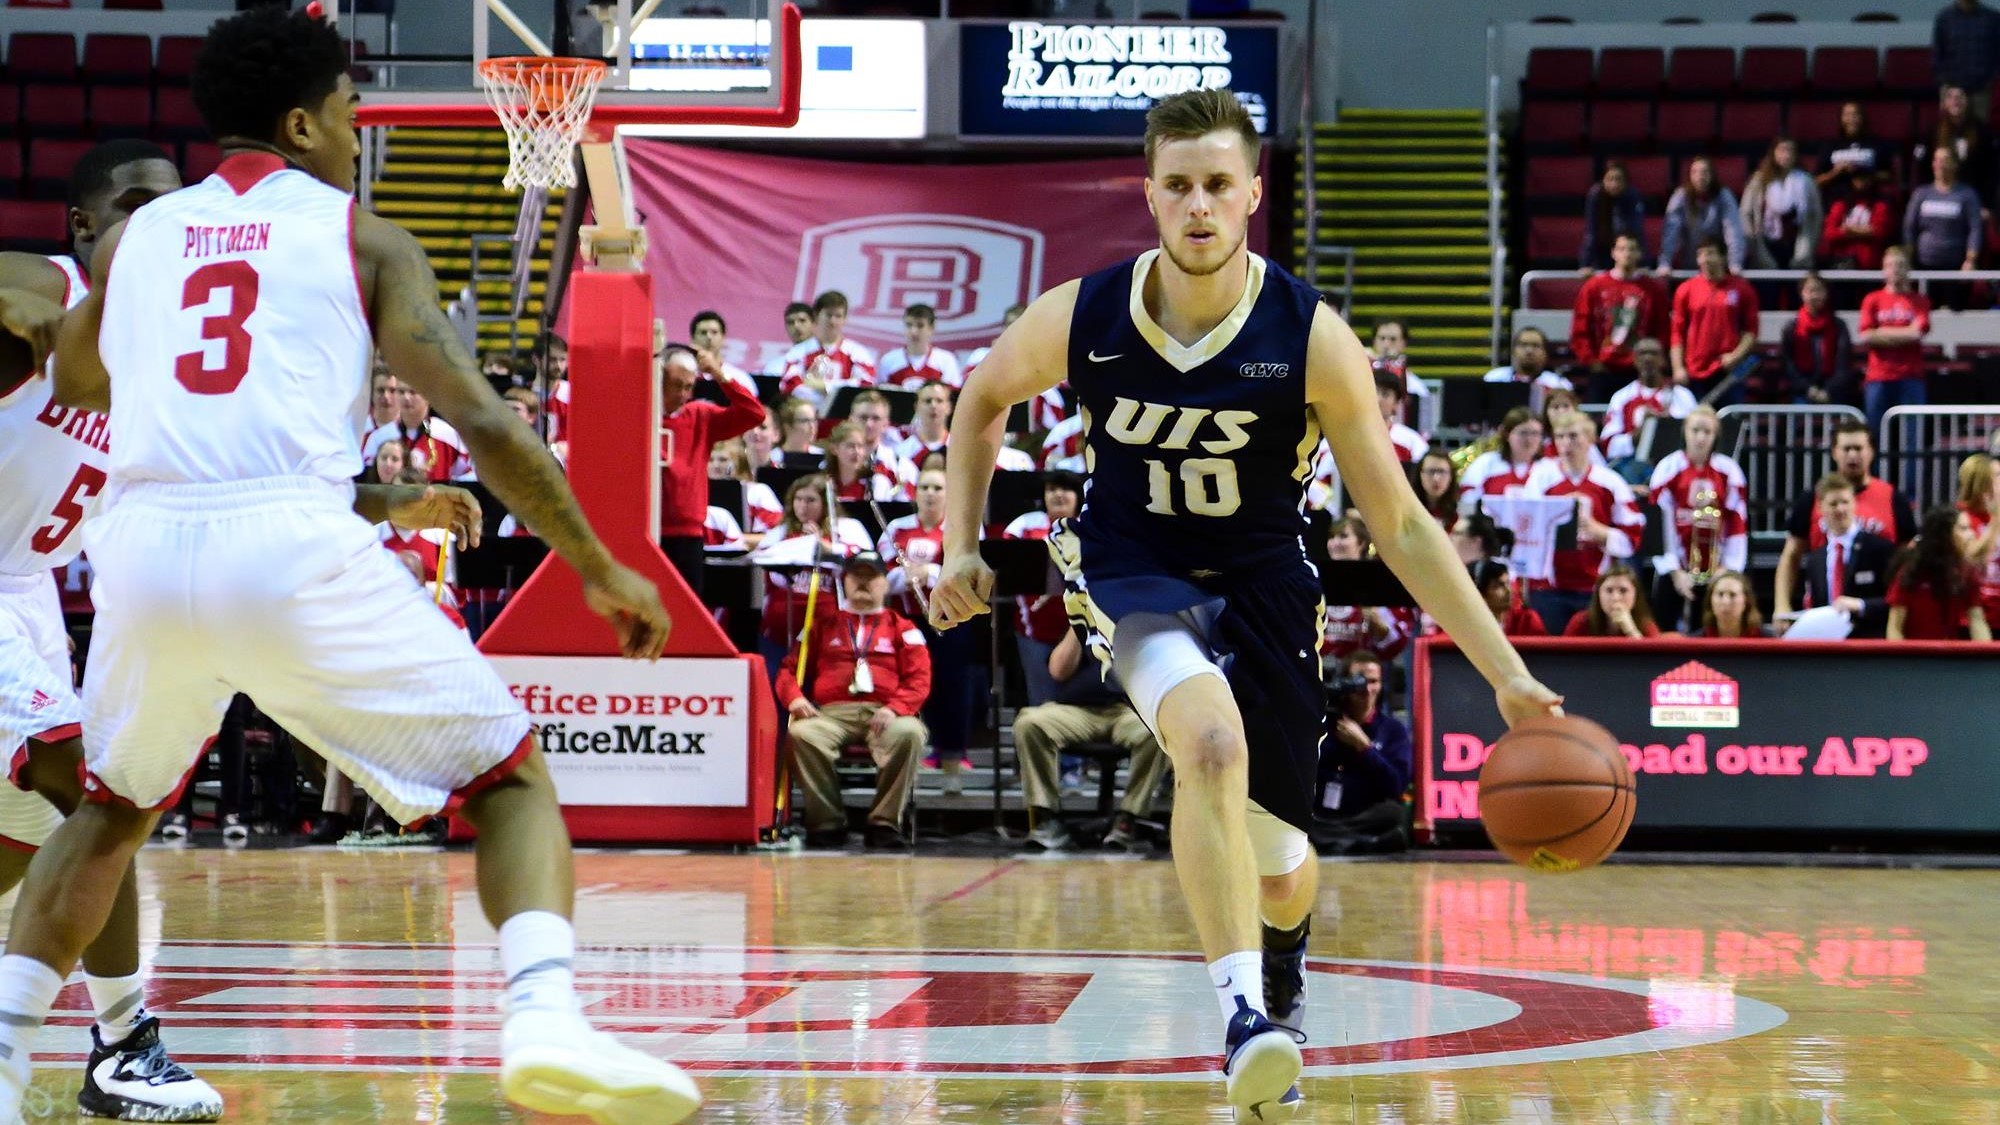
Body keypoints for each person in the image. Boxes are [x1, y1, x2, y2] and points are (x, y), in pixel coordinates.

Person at [10, 9, 694, 1124]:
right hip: (283, 540)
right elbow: (484, 421)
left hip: (137, 554)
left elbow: (83, 383)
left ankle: (2, 1056)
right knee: (509, 779)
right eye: (349, 113)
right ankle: (545, 1020)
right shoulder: (358, 236)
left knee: (109, 812)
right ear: (300, 121)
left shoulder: (137, 239)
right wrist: (597, 563)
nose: (356, 133)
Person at [926, 88, 1562, 1121]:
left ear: (1252, 194)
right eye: (1176, 186)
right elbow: (980, 401)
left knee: (1279, 863)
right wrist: (958, 545)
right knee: (1205, 747)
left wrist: (1506, 673)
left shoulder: (1309, 334)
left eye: (1218, 185)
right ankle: (1241, 1019)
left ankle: (1281, 959)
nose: (1197, 206)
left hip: (1267, 586)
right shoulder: (1084, 315)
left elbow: (1399, 525)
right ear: (1147, 195)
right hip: (1132, 570)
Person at [0, 138, 228, 1122]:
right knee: (91, 782)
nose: (158, 225)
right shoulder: (45, 282)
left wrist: (390, 502)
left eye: (174, 208)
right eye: (134, 204)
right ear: (84, 229)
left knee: (33, 841)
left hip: (31, 594)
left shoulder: (171, 355)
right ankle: (124, 1042)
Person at [776, 551, 931, 848]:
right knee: (802, 734)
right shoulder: (821, 623)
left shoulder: (904, 628)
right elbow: (788, 670)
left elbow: (920, 678)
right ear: (844, 582)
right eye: (856, 576)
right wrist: (794, 698)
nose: (863, 583)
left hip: (885, 713)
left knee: (910, 733)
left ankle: (884, 823)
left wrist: (896, 708)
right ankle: (827, 823)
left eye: (871, 577)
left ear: (885, 584)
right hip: (832, 714)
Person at [1015, 626, 1170, 852]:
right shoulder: (1081, 619)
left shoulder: (1137, 619)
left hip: (1129, 710)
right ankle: (1047, 818)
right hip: (1078, 710)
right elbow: (1058, 671)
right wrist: (1079, 625)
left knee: (1157, 728)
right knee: (1030, 723)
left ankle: (1129, 817)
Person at [878, 466, 974, 794]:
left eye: (937, 487)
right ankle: (912, 757)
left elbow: (969, 572)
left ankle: (951, 760)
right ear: (915, 492)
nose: (930, 493)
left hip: (950, 619)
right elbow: (881, 572)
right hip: (909, 620)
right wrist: (902, 577)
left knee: (951, 686)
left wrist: (930, 573)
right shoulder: (896, 528)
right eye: (924, 487)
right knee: (912, 684)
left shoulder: (962, 527)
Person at [1775, 421, 1919, 621]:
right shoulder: (1812, 498)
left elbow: (1909, 561)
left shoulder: (1893, 498)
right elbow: (1790, 557)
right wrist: (1781, 606)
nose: (1852, 455)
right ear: (1834, 452)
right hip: (1822, 612)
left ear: (1871, 451)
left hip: (1877, 612)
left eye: (1858, 448)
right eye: (1846, 448)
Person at [657, 342, 763, 598]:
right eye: (677, 385)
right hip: (648, 531)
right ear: (659, 380)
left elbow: (753, 413)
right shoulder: (640, 416)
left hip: (689, 536)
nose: (684, 394)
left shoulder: (701, 415)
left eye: (689, 386)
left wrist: (718, 373)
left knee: (686, 613)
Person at [1524, 413, 1644, 634]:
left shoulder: (1610, 482)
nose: (1566, 443)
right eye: (1560, 437)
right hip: (1549, 586)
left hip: (1595, 588)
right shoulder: (1541, 478)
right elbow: (1525, 529)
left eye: (1573, 436)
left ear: (1590, 439)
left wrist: (1600, 532)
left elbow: (1634, 533)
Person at [750, 473, 872, 681]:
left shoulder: (845, 529)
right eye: (798, 499)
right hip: (780, 629)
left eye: (810, 500)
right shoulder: (780, 532)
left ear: (825, 503)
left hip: (828, 629)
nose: (803, 506)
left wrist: (826, 547)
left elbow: (866, 559)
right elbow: (763, 558)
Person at [1648, 406, 1750, 633]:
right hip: (1676, 565)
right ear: (1685, 432)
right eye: (1695, 430)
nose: (1700, 437)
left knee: (1707, 630)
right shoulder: (1668, 468)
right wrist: (1674, 570)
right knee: (1665, 629)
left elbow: (1737, 522)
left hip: (1717, 565)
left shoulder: (1728, 471)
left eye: (1707, 432)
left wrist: (1729, 569)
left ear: (1715, 436)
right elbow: (1660, 523)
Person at [1312, 651, 1412, 855]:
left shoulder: (1393, 730)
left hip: (1363, 815)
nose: (1367, 689)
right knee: (1295, 816)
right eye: (1359, 681)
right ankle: (1358, 844)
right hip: (1320, 814)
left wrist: (1365, 748)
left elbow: (1396, 786)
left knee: (1394, 813)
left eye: (1374, 681)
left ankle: (1333, 841)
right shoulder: (1323, 723)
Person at [1001, 470, 1083, 708]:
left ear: (1077, 495)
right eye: (1051, 489)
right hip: (1033, 629)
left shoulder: (1090, 526)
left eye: (1065, 489)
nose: (1058, 494)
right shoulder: (1025, 524)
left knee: (1082, 699)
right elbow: (1005, 561)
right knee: (1042, 703)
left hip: (1081, 630)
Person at [1793, 472, 1897, 638]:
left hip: (1868, 645)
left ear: (1855, 503)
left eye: (1845, 502)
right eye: (1833, 504)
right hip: (1827, 648)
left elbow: (1895, 602)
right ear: (1820, 507)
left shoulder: (1880, 548)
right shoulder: (1816, 559)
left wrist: (1860, 605)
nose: (1841, 509)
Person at [1570, 232, 1670, 402]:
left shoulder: (1653, 289)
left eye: (1632, 249)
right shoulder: (1594, 287)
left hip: (1639, 368)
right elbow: (1581, 326)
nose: (1627, 254)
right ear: (1613, 253)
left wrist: (1654, 358)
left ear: (1640, 254)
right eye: (1622, 249)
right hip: (1603, 368)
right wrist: (1590, 360)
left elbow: (1662, 328)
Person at [1857, 246, 1933, 446]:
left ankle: (1911, 479)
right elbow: (1866, 335)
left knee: (1912, 439)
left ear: (1908, 269)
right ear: (1883, 269)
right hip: (1878, 377)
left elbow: (1917, 333)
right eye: (1890, 265)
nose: (1895, 270)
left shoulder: (1919, 300)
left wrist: (1881, 332)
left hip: (1911, 376)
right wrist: (1903, 333)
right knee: (1872, 438)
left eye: (1900, 265)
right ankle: (1872, 478)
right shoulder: (1872, 300)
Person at [1670, 238, 1760, 406]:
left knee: (1729, 426)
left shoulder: (1742, 289)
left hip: (1728, 372)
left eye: (1710, 253)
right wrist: (1677, 368)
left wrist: (1736, 356)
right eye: (1700, 254)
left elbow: (1751, 331)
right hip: (1694, 371)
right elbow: (1677, 333)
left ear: (1723, 257)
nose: (1704, 259)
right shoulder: (1685, 289)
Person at [1887, 505, 1993, 640]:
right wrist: (1899, 660)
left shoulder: (1966, 573)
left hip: (1947, 656)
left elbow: (1977, 620)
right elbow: (1895, 627)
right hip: (1912, 656)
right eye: (1963, 529)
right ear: (1944, 535)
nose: (1971, 534)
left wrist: (1987, 658)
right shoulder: (1910, 572)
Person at [1318, 518, 1415, 664]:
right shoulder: (1314, 576)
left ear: (1362, 543)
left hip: (1364, 669)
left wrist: (1375, 619)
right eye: (1332, 537)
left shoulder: (1379, 580)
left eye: (1343, 536)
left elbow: (1395, 644)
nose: (1335, 542)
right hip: (1319, 667)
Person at [1601, 337, 1697, 465]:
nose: (1648, 358)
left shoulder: (1682, 395)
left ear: (1663, 360)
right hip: (1632, 465)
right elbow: (1608, 446)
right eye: (1642, 354)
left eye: (1653, 353)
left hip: (1674, 464)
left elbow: (1696, 436)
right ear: (1634, 360)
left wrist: (1668, 426)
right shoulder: (1621, 397)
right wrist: (1639, 434)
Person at [778, 290, 878, 411]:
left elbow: (866, 386)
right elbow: (790, 386)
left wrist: (823, 386)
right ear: (816, 316)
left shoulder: (858, 353)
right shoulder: (798, 353)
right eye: (828, 315)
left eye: (838, 316)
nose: (833, 321)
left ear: (845, 319)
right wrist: (839, 391)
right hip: (808, 420)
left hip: (844, 422)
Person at [1904, 146, 1985, 289]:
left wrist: (1970, 260)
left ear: (1955, 164)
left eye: (1945, 160)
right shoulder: (1921, 193)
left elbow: (1975, 228)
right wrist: (1908, 259)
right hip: (1924, 264)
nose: (1939, 164)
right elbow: (1909, 227)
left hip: (1956, 265)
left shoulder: (1967, 194)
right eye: (1936, 160)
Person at [1742, 136, 1823, 272]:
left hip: (1797, 243)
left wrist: (1806, 250)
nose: (1786, 155)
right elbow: (1745, 213)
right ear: (1773, 153)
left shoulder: (1807, 181)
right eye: (1782, 150)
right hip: (1766, 244)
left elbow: (1816, 216)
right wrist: (1756, 247)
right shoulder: (1759, 180)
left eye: (1790, 150)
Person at [1780, 272, 1858, 406]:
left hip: (1834, 391)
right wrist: (1809, 389)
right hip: (1801, 391)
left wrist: (1828, 390)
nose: (1815, 295)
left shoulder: (1839, 326)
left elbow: (1843, 363)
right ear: (1802, 294)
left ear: (1826, 294)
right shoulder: (1791, 328)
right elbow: (1788, 365)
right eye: (1810, 291)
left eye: (1819, 290)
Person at [1657, 157, 1745, 274]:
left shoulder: (1724, 196)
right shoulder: (1680, 197)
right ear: (1689, 175)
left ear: (1712, 175)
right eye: (1695, 172)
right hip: (1689, 265)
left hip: (1718, 267)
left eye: (1705, 172)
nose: (1700, 176)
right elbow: (1670, 232)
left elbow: (1733, 231)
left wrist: (1735, 263)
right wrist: (1665, 263)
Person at [1911, 84, 1994, 202]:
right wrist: (1918, 197)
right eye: (1950, 97)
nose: (1955, 101)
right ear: (1944, 103)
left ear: (1968, 101)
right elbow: (1918, 162)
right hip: (1937, 196)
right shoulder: (1932, 131)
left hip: (1971, 197)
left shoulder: (1982, 132)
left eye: (1960, 96)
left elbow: (1991, 171)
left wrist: (1987, 205)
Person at [1458, 407, 1546, 513]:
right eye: (1523, 433)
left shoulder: (1549, 467)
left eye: (1535, 433)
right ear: (1507, 435)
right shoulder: (1486, 463)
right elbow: (1466, 503)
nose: (1529, 439)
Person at [1814, 101, 1897, 202]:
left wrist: (1869, 177)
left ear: (1862, 118)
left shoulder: (1876, 144)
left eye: (1855, 114)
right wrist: (1835, 173)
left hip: (1871, 201)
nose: (1852, 119)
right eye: (1847, 115)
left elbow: (1889, 175)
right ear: (1841, 119)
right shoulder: (1830, 146)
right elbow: (1816, 181)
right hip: (1836, 201)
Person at [847, 388, 920, 496]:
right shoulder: (833, 463)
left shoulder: (903, 467)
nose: (869, 424)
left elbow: (908, 509)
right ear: (851, 420)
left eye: (875, 418)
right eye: (863, 417)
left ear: (886, 424)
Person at [709, 438, 782, 546]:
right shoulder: (697, 494)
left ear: (739, 463)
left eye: (723, 460)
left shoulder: (758, 492)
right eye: (710, 460)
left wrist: (735, 539)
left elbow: (777, 535)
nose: (715, 465)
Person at [1480, 326, 1572, 411]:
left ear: (1545, 353)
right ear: (1513, 351)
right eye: (1523, 345)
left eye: (1536, 346)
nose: (1529, 351)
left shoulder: (1558, 384)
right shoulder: (1494, 378)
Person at [1934, 0, 2000, 118]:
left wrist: (1992, 79)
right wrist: (1944, 83)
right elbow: (1938, 54)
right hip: (1952, 89)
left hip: (1981, 90)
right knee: (1952, 133)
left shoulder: (1993, 18)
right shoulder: (1944, 18)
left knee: (1978, 132)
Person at [1578, 160, 1648, 273]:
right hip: (1601, 253)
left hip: (1625, 254)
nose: (1614, 184)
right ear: (1603, 180)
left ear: (1625, 181)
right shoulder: (1595, 196)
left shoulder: (1632, 196)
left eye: (1618, 179)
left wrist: (1644, 264)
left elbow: (1637, 231)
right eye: (1610, 179)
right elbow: (1591, 233)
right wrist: (1585, 264)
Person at [1819, 171, 1896, 272]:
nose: (1861, 182)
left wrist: (1848, 230)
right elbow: (1829, 233)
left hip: (1871, 267)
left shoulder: (1880, 206)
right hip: (1842, 266)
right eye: (1857, 179)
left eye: (1865, 178)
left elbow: (1880, 232)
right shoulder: (1840, 205)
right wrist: (1865, 231)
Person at [1957, 452, 2000, 629]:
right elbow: (1972, 559)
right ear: (1982, 485)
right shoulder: (1961, 519)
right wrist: (1995, 520)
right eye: (1997, 476)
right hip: (1972, 618)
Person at [877, 303, 965, 390]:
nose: (913, 331)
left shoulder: (946, 360)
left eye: (920, 325)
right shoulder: (888, 360)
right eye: (909, 325)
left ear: (932, 328)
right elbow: (880, 395)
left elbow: (952, 397)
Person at [1562, 564, 1662, 638]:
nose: (1615, 597)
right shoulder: (1580, 622)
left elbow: (1653, 663)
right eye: (1609, 590)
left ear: (1635, 595)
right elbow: (1563, 660)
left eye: (1623, 591)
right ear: (1598, 595)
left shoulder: (1645, 625)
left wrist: (1631, 630)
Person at [1469, 558, 1547, 636]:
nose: (1509, 590)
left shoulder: (1527, 620)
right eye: (1498, 585)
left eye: (1508, 583)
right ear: (1480, 593)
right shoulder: (1470, 625)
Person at [897, 382, 956, 470]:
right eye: (928, 401)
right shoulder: (902, 451)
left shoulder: (957, 449)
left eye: (939, 401)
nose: (933, 406)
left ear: (949, 407)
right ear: (916, 407)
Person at [1697, 571, 1769, 637]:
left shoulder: (1767, 642)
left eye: (1732, 595)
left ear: (1746, 602)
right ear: (1710, 600)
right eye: (1720, 594)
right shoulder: (1695, 642)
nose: (1725, 601)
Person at [762, 299, 815, 376]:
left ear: (814, 323)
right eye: (790, 322)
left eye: (802, 320)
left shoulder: (826, 358)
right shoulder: (775, 366)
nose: (796, 326)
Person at [1414, 452, 1458, 531]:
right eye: (1430, 471)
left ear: (1451, 476)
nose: (1436, 478)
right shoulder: (1406, 509)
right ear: (1420, 475)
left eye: (1442, 472)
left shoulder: (1461, 512)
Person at [775, 395, 824, 465]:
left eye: (814, 420)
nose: (812, 426)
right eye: (805, 421)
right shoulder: (772, 459)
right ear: (787, 427)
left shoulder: (823, 460)